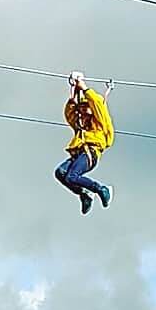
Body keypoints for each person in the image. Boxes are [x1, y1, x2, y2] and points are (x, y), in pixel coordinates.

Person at [55, 73, 114, 214]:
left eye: (84, 108)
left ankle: (101, 189)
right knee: (60, 172)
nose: (82, 111)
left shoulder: (99, 121)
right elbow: (69, 114)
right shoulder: (82, 126)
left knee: (71, 176)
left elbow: (97, 104)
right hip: (79, 153)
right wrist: (74, 93)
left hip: (90, 153)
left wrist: (84, 87)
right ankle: (85, 193)